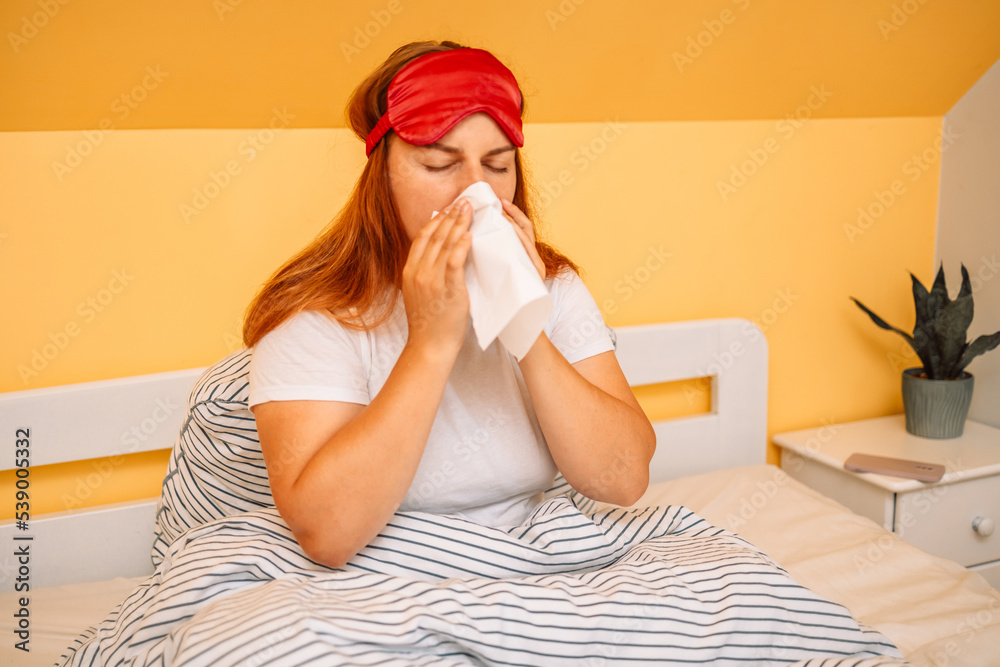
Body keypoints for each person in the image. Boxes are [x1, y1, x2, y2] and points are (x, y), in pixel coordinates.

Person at [243, 40, 655, 569]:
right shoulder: (317, 312)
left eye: (496, 164)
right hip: (379, 571)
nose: (475, 193)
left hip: (535, 558)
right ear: (381, 176)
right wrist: (430, 342)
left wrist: (523, 323)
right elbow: (327, 533)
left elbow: (623, 480)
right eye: (440, 164)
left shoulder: (552, 285)